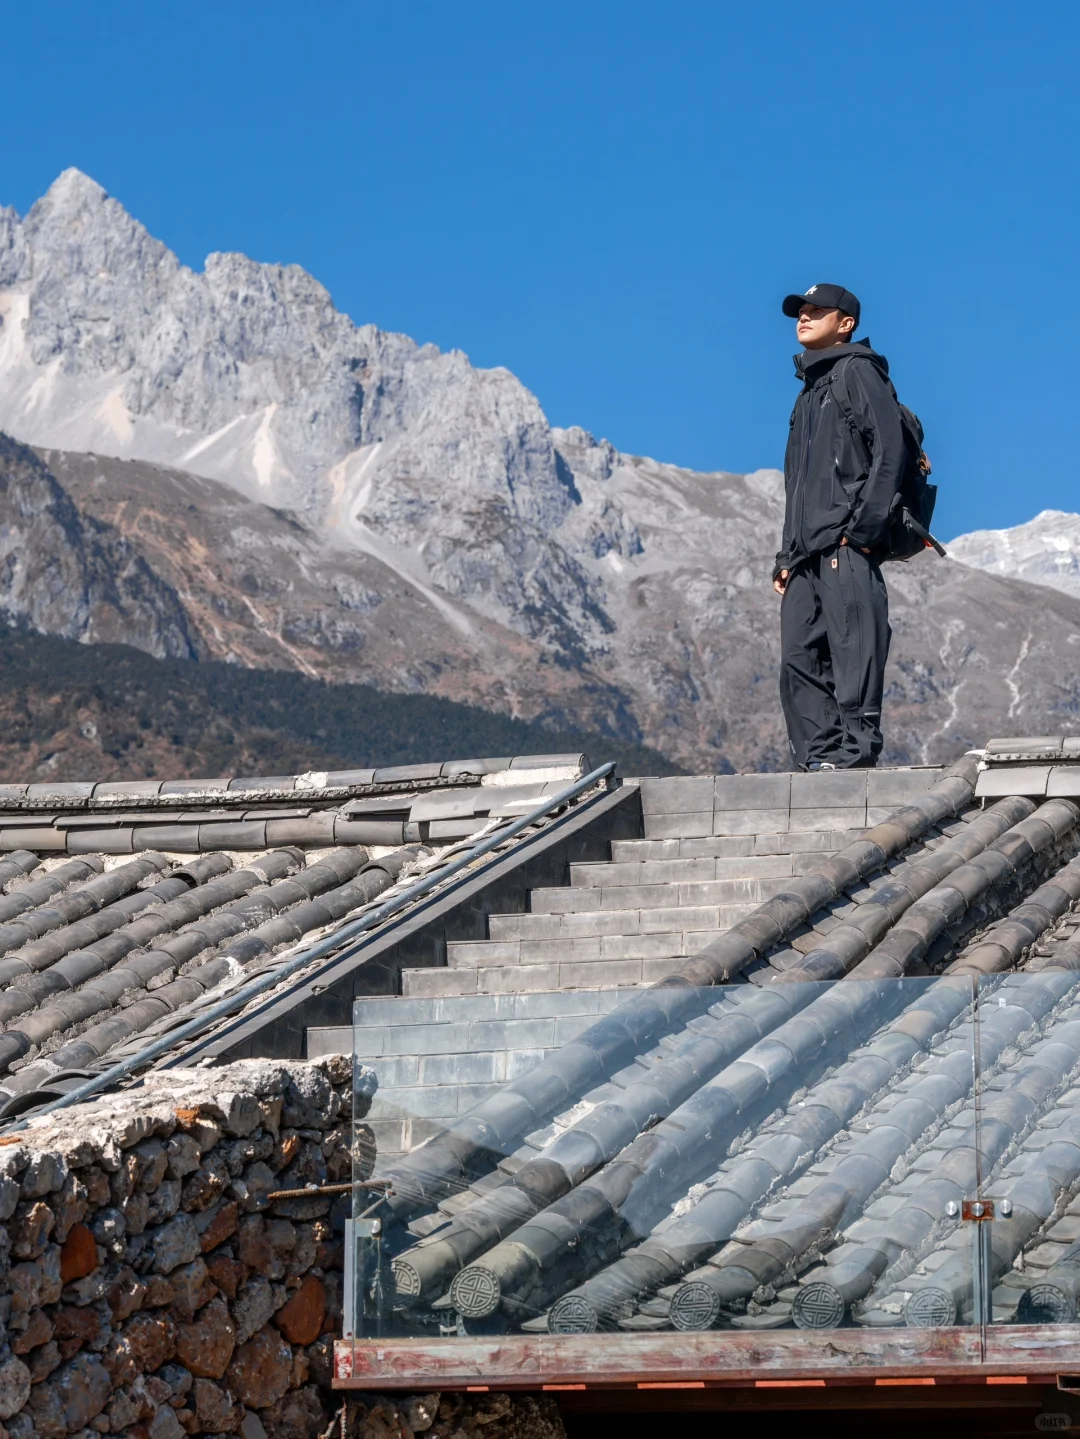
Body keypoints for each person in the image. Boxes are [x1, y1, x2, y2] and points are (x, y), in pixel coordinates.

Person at [773, 283, 905, 771]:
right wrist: (786, 556)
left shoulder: (858, 373)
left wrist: (862, 531)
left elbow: (890, 450)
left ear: (845, 323)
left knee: (854, 650)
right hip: (805, 554)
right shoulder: (808, 392)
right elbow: (799, 485)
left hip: (846, 544)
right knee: (797, 658)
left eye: (815, 311)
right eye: (799, 312)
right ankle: (817, 759)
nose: (803, 318)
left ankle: (855, 754)